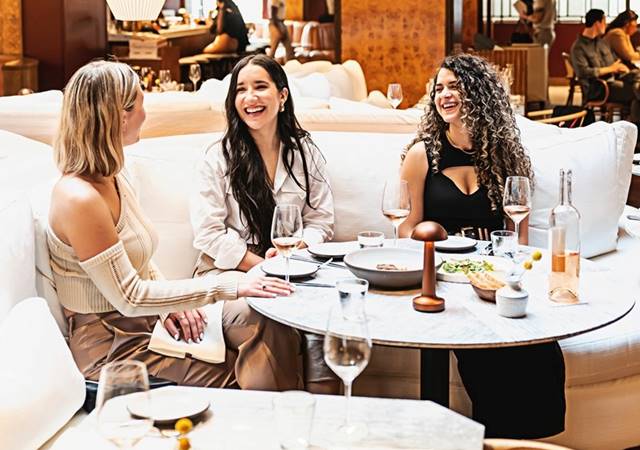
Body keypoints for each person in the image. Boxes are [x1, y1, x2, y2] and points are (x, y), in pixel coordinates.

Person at [48, 60, 303, 391]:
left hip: (144, 320)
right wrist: (231, 285)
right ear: (119, 115)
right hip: (111, 343)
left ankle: (295, 417)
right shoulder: (79, 199)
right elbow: (129, 296)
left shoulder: (111, 175)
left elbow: (139, 263)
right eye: (141, 102)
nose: (145, 113)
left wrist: (172, 304)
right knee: (240, 377)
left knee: (268, 316)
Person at [399, 54, 565, 438]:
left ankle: (526, 441)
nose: (444, 95)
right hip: (443, 277)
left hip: (492, 276)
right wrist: (432, 233)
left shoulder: (505, 155)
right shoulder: (423, 154)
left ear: (480, 93)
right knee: (486, 355)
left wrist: (510, 275)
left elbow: (516, 235)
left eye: (454, 86)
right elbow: (405, 229)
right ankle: (497, 439)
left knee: (537, 346)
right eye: (438, 88)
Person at [190, 54, 338, 393]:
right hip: (226, 277)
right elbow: (208, 234)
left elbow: (320, 220)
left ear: (282, 96)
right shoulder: (217, 157)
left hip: (294, 269)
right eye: (240, 90)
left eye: (260, 87)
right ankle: (278, 418)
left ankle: (324, 408)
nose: (250, 98)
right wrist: (264, 267)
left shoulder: (304, 151)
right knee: (270, 311)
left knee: (328, 310)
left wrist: (299, 250)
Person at [570, 8, 640, 123]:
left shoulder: (601, 43)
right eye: (604, 21)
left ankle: (635, 130)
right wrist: (611, 68)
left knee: (637, 80)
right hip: (599, 88)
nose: (606, 25)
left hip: (615, 80)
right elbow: (584, 72)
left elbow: (614, 61)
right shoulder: (578, 47)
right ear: (597, 23)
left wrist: (619, 67)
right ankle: (635, 130)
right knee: (635, 92)